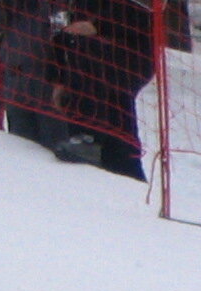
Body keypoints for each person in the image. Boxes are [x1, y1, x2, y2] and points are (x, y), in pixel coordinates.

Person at [45, 0, 152, 180]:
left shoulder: (131, 12)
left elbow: (142, 17)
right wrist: (59, 79)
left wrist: (98, 27)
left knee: (119, 148)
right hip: (80, 80)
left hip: (118, 75)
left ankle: (130, 185)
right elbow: (62, 35)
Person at [0, 0, 69, 151]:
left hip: (48, 80)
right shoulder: (8, 5)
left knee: (55, 148)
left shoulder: (55, 6)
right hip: (14, 80)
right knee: (21, 149)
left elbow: (66, 41)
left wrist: (63, 80)